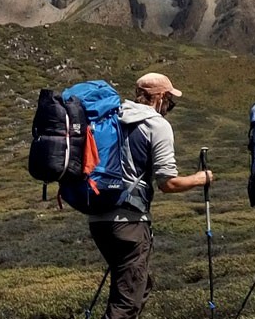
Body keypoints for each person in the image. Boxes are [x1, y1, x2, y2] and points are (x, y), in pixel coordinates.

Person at [90, 72, 215, 319]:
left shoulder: (113, 117)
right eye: (169, 99)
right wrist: (201, 178)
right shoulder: (156, 125)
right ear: (158, 97)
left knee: (137, 286)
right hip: (129, 223)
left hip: (98, 217)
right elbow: (168, 183)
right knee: (127, 302)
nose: (170, 106)